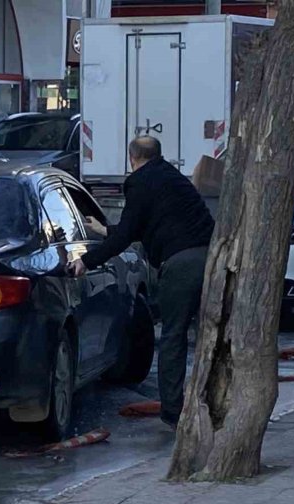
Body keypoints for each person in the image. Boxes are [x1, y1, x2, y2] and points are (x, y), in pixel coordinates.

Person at [66, 136, 214, 429]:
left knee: (173, 336)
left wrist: (86, 261)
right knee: (210, 333)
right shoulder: (172, 177)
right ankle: (210, 402)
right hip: (211, 256)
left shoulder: (139, 182)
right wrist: (108, 229)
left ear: (132, 158)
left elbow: (126, 236)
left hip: (180, 264)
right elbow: (140, 225)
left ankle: (173, 411)